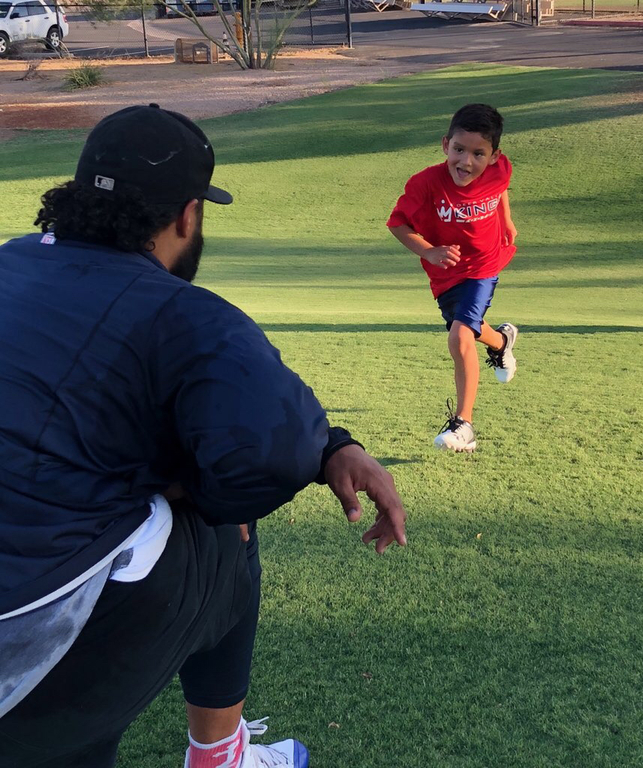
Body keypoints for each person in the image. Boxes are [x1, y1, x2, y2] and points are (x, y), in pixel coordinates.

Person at [0, 104, 407, 768]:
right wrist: (323, 448)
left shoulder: (9, 261)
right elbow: (267, 454)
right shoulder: (186, 313)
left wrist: (330, 445)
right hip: (32, 643)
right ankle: (218, 755)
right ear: (187, 216)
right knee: (223, 520)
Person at [387, 103, 519, 452]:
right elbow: (398, 224)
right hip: (445, 274)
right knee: (469, 330)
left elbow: (501, 186)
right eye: (459, 150)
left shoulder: (500, 169)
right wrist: (429, 251)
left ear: (494, 156)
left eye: (478, 154)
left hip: (483, 265)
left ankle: (464, 425)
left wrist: (505, 220)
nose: (466, 161)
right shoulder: (425, 183)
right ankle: (501, 342)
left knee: (460, 336)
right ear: (446, 144)